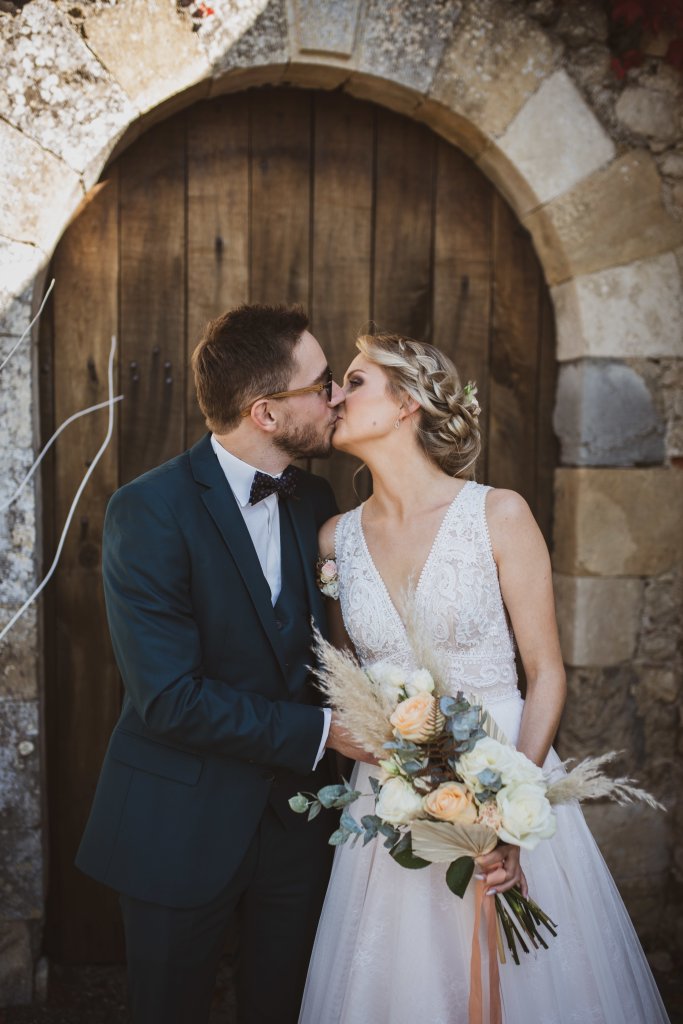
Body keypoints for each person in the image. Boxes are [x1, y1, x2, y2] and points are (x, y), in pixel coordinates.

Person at [299, 332, 670, 1024]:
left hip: (506, 764)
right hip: (394, 791)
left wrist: (508, 811)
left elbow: (545, 672)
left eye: (354, 381)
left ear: (406, 403)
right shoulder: (333, 541)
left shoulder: (497, 514)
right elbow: (349, 681)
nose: (335, 397)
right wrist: (407, 770)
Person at [76, 304, 371, 1024]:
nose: (337, 395)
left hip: (298, 827)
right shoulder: (147, 510)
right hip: (178, 822)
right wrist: (326, 732)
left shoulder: (317, 500)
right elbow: (170, 698)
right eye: (322, 383)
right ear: (265, 412)